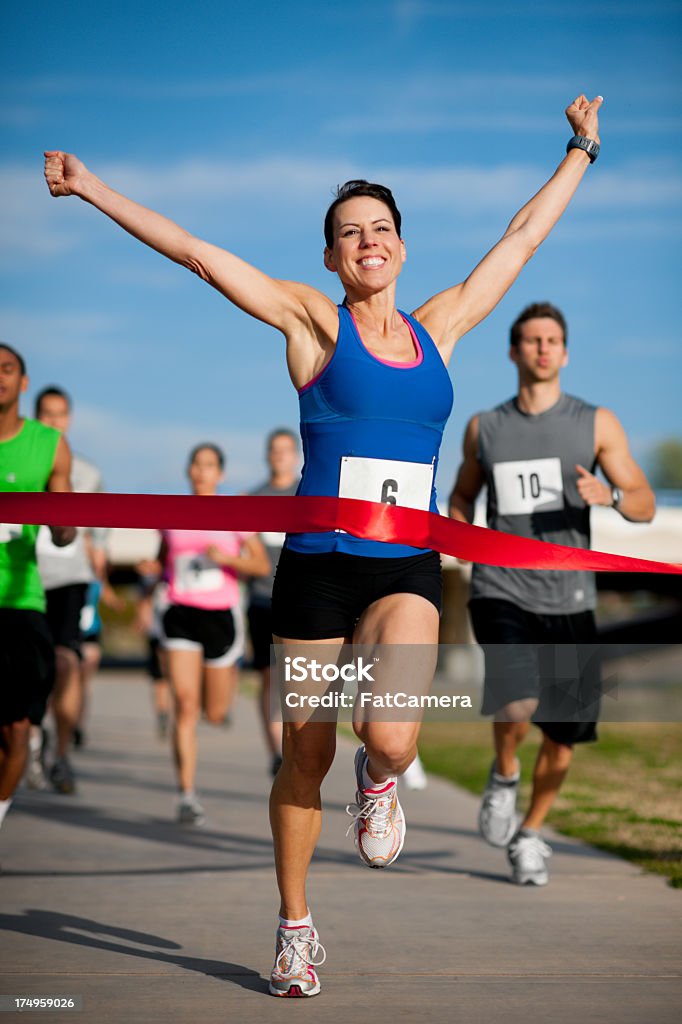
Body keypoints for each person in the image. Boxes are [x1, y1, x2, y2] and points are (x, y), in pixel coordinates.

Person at [44, 93, 604, 995]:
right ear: (331, 255)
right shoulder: (314, 322)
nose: (367, 242)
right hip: (317, 574)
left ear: (402, 245)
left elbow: (520, 241)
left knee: (387, 738)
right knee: (303, 754)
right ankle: (296, 926)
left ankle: (378, 782)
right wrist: (92, 187)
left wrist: (581, 151)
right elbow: (195, 254)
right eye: (349, 233)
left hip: (404, 569)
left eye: (381, 229)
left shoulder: (442, 326)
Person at [448, 301, 655, 885]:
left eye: (552, 340)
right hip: (502, 587)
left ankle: (531, 833)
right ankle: (505, 774)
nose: (542, 349)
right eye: (532, 340)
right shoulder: (484, 427)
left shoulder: (596, 423)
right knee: (515, 702)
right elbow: (462, 497)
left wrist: (610, 496)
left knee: (564, 738)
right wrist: (465, 535)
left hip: (569, 598)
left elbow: (643, 502)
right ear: (513, 351)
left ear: (564, 353)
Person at [152, 444, 269, 825]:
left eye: (209, 466)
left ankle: (224, 691)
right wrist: (150, 569)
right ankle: (186, 794)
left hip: (219, 617)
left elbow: (260, 563)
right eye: (196, 465)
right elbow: (162, 559)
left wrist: (229, 559)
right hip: (179, 613)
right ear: (189, 471)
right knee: (184, 705)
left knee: (214, 712)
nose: (201, 472)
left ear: (220, 473)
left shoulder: (234, 511)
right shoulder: (172, 513)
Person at [0, 346, 75, 831]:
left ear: (23, 383)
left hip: (19, 601)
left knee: (17, 729)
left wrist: (62, 520)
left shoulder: (49, 444)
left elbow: (66, 529)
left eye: (6, 370)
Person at [34, 386, 109, 793]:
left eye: (60, 415)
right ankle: (33, 734)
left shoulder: (88, 472)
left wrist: (100, 555)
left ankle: (60, 753)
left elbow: (100, 533)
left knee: (68, 662)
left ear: (70, 419)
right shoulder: (26, 461)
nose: (54, 422)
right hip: (28, 576)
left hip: (71, 579)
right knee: (31, 669)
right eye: (47, 415)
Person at [246, 428, 300, 777]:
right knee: (270, 679)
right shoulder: (254, 498)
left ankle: (295, 748)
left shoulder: (307, 492)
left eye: (285, 450)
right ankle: (276, 752)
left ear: (295, 455)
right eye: (273, 450)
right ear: (267, 455)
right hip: (261, 600)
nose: (279, 456)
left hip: (300, 599)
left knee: (294, 678)